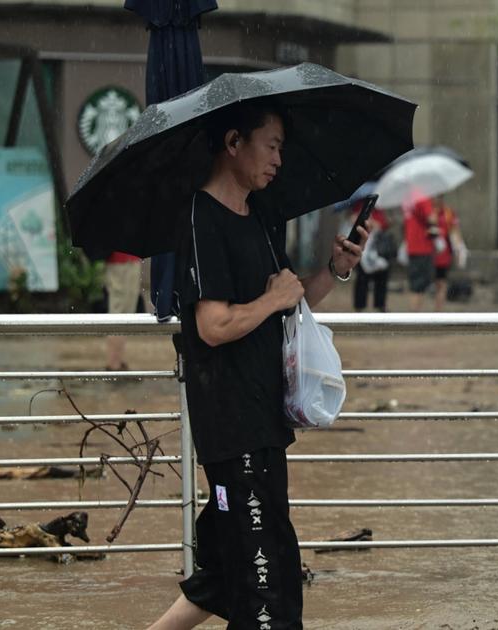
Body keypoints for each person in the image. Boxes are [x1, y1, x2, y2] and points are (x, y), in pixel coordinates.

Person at [146, 101, 365, 630]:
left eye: (282, 148)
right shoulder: (201, 217)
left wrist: (334, 270)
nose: (278, 160)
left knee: (227, 568)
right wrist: (271, 301)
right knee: (268, 578)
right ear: (233, 143)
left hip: (264, 418)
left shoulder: (262, 216)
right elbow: (212, 326)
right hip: (231, 425)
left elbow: (289, 296)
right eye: (271, 145)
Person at [345, 199, 392, 312]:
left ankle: (380, 304)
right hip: (362, 246)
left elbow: (385, 224)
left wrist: (378, 224)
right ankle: (359, 305)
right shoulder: (359, 205)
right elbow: (353, 221)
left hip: (378, 248)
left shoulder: (381, 207)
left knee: (381, 277)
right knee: (362, 278)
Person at [103, 250, 143, 370]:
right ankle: (113, 363)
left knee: (127, 313)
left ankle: (118, 360)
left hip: (132, 257)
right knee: (118, 311)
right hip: (119, 260)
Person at [402, 192, 438, 311]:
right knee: (420, 284)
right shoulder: (421, 196)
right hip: (422, 245)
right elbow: (431, 218)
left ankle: (414, 313)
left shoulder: (407, 196)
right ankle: (415, 315)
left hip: (412, 244)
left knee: (414, 282)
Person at [431, 196, 465, 312]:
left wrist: (459, 248)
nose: (436, 200)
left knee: (442, 282)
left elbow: (455, 230)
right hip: (431, 252)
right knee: (436, 282)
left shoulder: (448, 212)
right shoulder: (429, 212)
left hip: (444, 253)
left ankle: (438, 309)